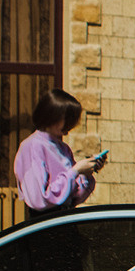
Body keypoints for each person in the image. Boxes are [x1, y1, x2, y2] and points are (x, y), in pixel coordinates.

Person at [14, 88, 101, 219]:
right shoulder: (32, 146)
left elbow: (75, 197)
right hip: (45, 221)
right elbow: (38, 199)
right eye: (68, 118)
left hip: (65, 218)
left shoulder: (63, 148)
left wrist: (86, 173)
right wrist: (75, 171)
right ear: (51, 116)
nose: (71, 124)